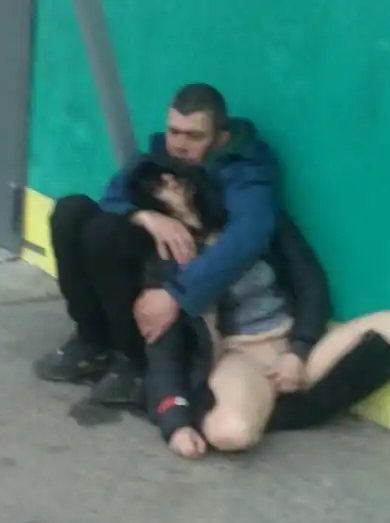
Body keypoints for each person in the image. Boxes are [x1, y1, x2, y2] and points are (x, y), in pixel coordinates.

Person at [71, 156, 390, 460]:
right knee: (230, 434)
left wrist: (297, 351)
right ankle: (284, 405)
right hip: (242, 357)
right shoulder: (165, 262)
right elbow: (163, 350)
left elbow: (310, 283)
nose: (170, 184)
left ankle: (278, 399)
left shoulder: (249, 223)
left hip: (296, 341)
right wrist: (176, 424)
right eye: (157, 185)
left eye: (173, 175)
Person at [34, 83, 279, 383]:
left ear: (221, 139)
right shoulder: (160, 154)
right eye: (174, 132)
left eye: (194, 136)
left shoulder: (245, 172)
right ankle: (92, 344)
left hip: (188, 274)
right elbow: (112, 197)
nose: (179, 145)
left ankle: (135, 363)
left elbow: (246, 239)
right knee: (71, 211)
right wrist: (144, 216)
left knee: (105, 233)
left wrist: (178, 293)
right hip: (153, 259)